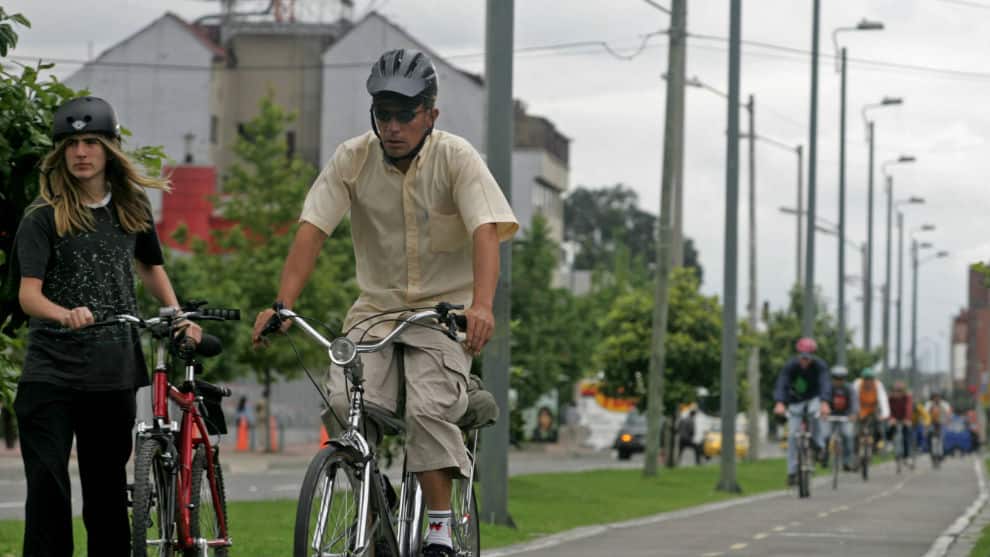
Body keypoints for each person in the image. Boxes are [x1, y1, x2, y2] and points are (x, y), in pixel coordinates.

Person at [251, 48, 517, 557]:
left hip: (444, 314)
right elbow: (312, 230)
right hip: (375, 312)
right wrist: (282, 305)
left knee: (427, 407)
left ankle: (439, 528)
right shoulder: (352, 159)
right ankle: (375, 497)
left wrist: (481, 305)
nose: (392, 127)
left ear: (430, 115)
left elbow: (485, 230)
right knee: (342, 403)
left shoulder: (457, 158)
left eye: (405, 114)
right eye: (383, 114)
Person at [13, 96, 201, 556]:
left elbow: (150, 266)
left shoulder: (131, 207)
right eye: (71, 144)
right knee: (48, 485)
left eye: (92, 142)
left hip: (112, 370)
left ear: (110, 148)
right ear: (60, 152)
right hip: (50, 372)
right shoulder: (42, 215)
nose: (81, 152)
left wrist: (178, 316)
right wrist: (64, 313)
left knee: (106, 495)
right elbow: (28, 294)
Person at [773, 337, 832, 487]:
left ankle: (819, 446)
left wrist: (825, 402)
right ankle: (792, 472)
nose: (805, 360)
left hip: (814, 398)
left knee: (815, 414)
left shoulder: (820, 366)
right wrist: (780, 402)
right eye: (802, 357)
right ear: (798, 354)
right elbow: (782, 383)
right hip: (795, 400)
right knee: (792, 435)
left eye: (808, 357)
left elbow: (825, 383)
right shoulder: (791, 366)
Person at [819, 366, 856, 471]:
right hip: (830, 416)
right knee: (825, 435)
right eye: (836, 378)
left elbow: (854, 402)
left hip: (845, 416)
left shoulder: (849, 388)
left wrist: (853, 413)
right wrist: (824, 411)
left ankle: (847, 462)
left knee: (848, 435)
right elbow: (823, 400)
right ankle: (824, 457)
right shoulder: (828, 388)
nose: (839, 380)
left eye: (841, 378)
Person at [852, 367, 889, 455]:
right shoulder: (857, 384)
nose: (868, 382)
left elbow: (883, 400)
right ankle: (855, 449)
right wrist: (854, 413)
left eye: (870, 379)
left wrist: (884, 414)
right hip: (860, 410)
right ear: (863, 379)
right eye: (866, 379)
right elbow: (853, 399)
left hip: (873, 410)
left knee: (879, 427)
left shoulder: (878, 385)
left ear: (873, 379)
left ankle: (877, 445)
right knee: (855, 431)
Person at [886, 381, 914, 462]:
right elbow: (888, 409)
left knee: (906, 435)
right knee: (889, 428)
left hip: (905, 418)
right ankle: (890, 442)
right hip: (894, 418)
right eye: (895, 391)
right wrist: (891, 418)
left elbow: (909, 408)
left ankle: (907, 456)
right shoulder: (890, 398)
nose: (897, 393)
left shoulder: (907, 397)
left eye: (899, 391)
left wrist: (907, 419)